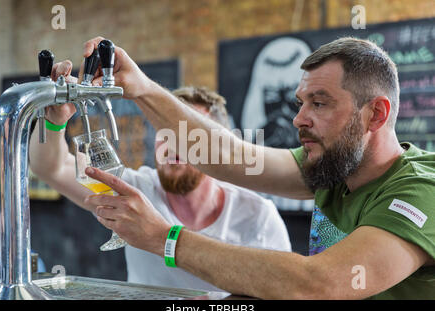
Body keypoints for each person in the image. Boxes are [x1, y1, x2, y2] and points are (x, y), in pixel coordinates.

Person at [55, 36, 434, 299]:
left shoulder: (421, 191)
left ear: (376, 114)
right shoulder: (333, 165)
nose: (299, 118)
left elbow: (319, 284)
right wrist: (142, 88)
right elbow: (225, 154)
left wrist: (164, 239)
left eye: (319, 103)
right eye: (300, 102)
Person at [29, 84, 292, 291]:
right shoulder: (134, 191)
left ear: (220, 147)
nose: (174, 144)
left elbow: (285, 291)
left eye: (190, 136)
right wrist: (55, 120)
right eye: (166, 133)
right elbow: (51, 168)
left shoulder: (258, 217)